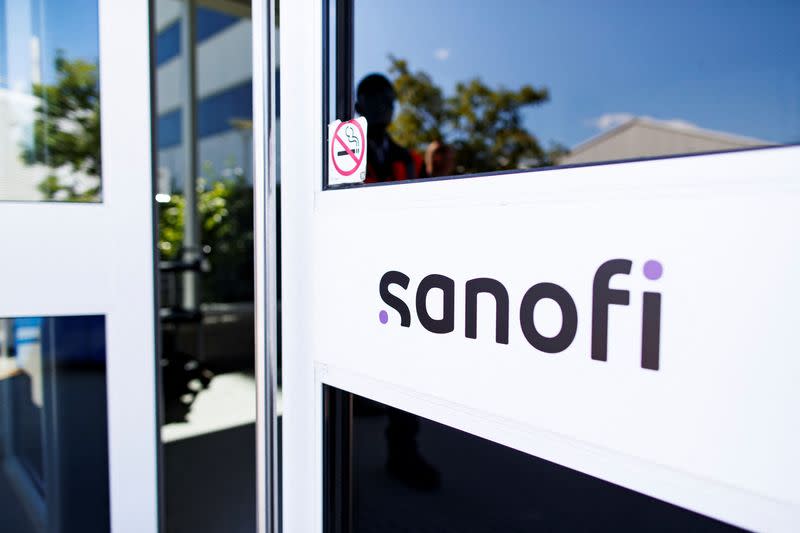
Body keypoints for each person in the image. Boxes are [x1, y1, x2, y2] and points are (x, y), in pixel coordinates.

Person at [354, 73, 426, 183]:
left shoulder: (413, 161)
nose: (382, 106)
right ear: (358, 107)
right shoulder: (343, 157)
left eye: (388, 100)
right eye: (373, 99)